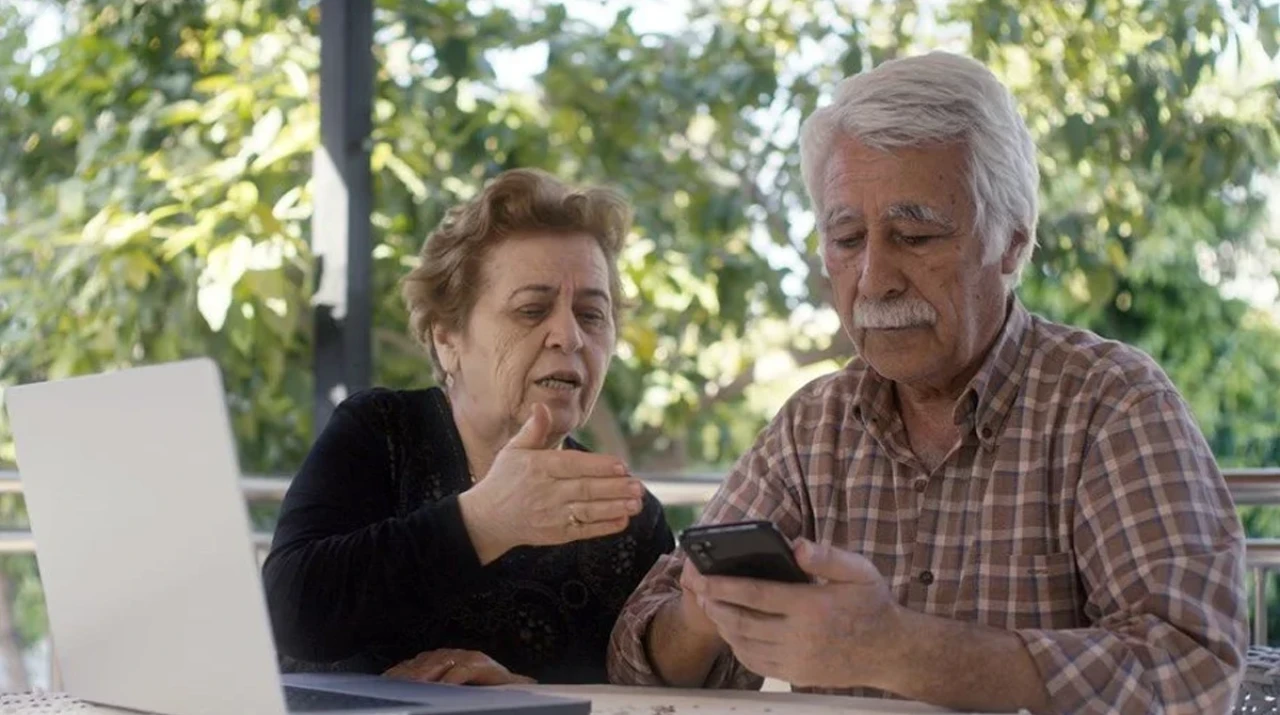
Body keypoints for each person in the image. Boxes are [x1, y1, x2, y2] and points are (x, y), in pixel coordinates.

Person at [607, 51, 1247, 714]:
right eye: (848, 238)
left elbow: (1194, 670)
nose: (875, 278)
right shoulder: (814, 425)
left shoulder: (1110, 404)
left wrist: (895, 648)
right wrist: (709, 610)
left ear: (1014, 243)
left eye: (913, 235)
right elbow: (635, 660)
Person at [263, 168, 674, 686]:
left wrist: (530, 702)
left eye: (592, 315)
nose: (568, 336)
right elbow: (289, 616)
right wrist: (484, 522)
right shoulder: (380, 433)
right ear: (447, 339)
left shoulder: (628, 517)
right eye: (531, 310)